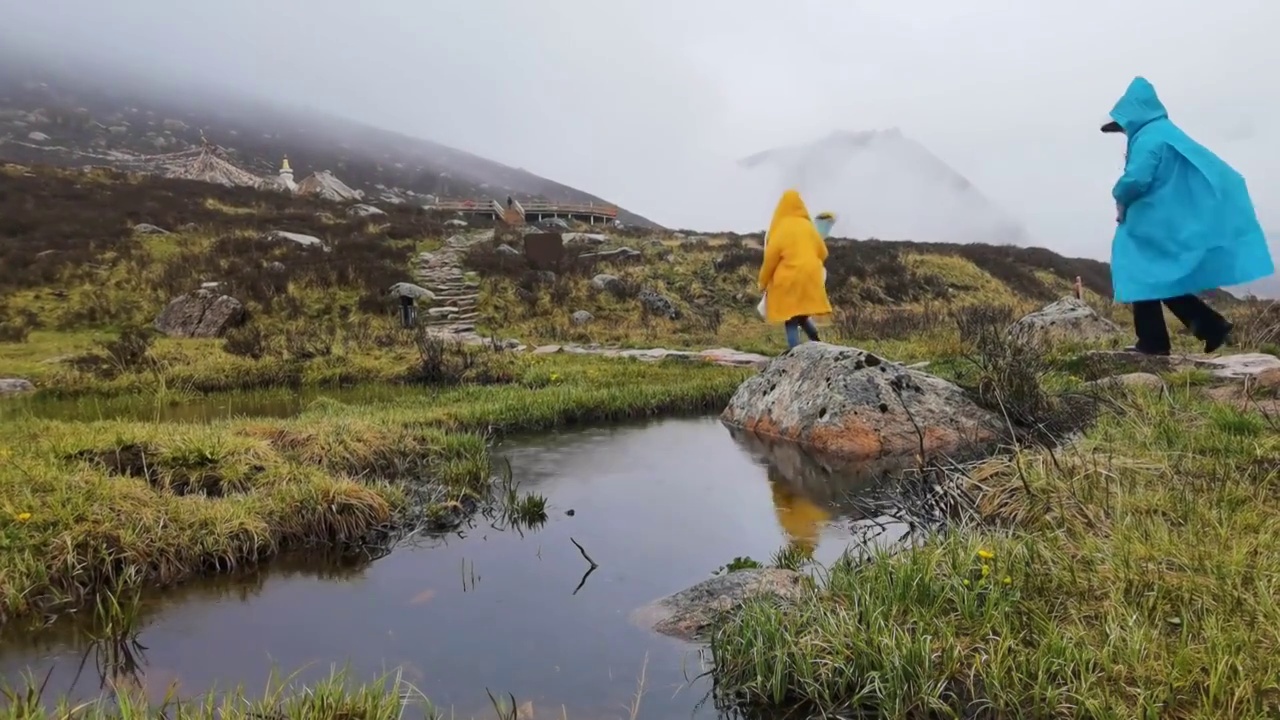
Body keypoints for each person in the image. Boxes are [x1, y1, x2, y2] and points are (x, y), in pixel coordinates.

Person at [1104, 76, 1274, 355]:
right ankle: (1210, 327)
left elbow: (1136, 179)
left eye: (1123, 125)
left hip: (1149, 223)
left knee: (1138, 275)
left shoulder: (1149, 138)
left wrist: (1119, 194)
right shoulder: (1164, 132)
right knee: (1156, 277)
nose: (1123, 131)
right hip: (1161, 218)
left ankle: (1154, 343)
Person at [758, 189, 833, 349]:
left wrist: (762, 283)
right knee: (802, 314)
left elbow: (770, 261)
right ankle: (817, 341)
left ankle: (795, 352)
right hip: (811, 277)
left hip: (789, 280)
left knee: (790, 317)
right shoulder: (809, 227)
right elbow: (823, 252)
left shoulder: (780, 229)